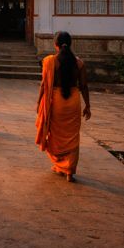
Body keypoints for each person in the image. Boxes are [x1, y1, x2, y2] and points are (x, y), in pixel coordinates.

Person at [35, 31, 91, 183]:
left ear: (55, 45)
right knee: (73, 137)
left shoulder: (49, 61)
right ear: (71, 44)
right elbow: (84, 86)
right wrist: (88, 106)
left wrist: (39, 102)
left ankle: (60, 165)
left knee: (55, 136)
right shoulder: (79, 63)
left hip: (56, 102)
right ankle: (69, 172)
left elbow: (44, 85)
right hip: (73, 102)